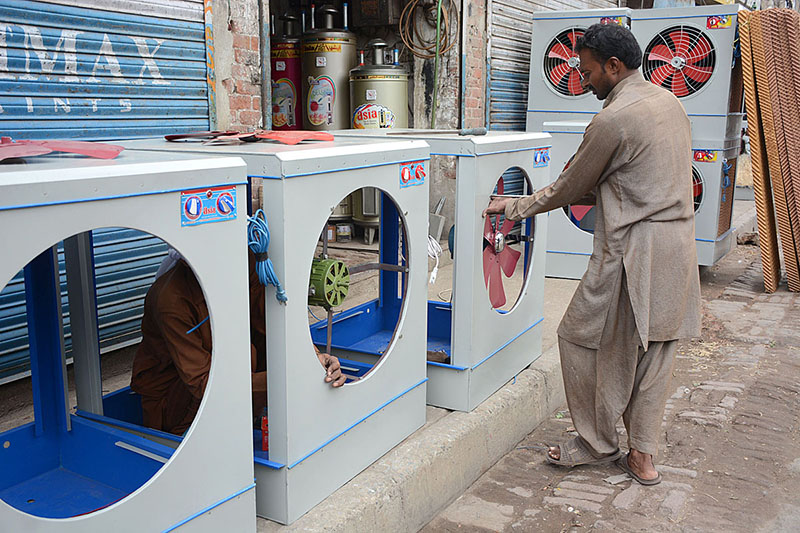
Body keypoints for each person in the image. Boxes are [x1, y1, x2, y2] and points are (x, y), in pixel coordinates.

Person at [484, 23, 701, 485]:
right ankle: (643, 456)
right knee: (656, 350)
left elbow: (571, 185)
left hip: (632, 251)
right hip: (679, 246)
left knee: (580, 337)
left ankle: (597, 442)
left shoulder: (612, 120)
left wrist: (516, 206)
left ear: (613, 66)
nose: (582, 80)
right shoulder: (671, 102)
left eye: (587, 71)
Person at [131, 251, 346, 435]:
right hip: (175, 401)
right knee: (246, 355)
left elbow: (270, 321)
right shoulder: (171, 299)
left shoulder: (242, 264)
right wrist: (285, 378)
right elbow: (201, 381)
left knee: (253, 349)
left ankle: (249, 420)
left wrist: (313, 357)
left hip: (224, 373)